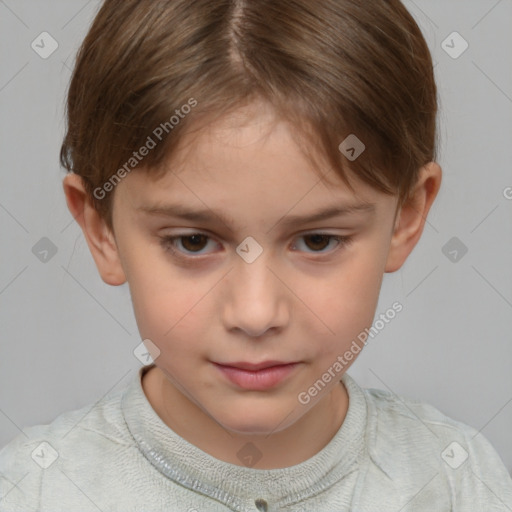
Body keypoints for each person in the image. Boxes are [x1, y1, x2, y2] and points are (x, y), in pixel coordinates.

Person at [1, 0, 511, 510]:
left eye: (317, 241)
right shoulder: (34, 491)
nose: (256, 313)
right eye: (193, 242)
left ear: (405, 216)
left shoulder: (457, 482)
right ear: (102, 230)